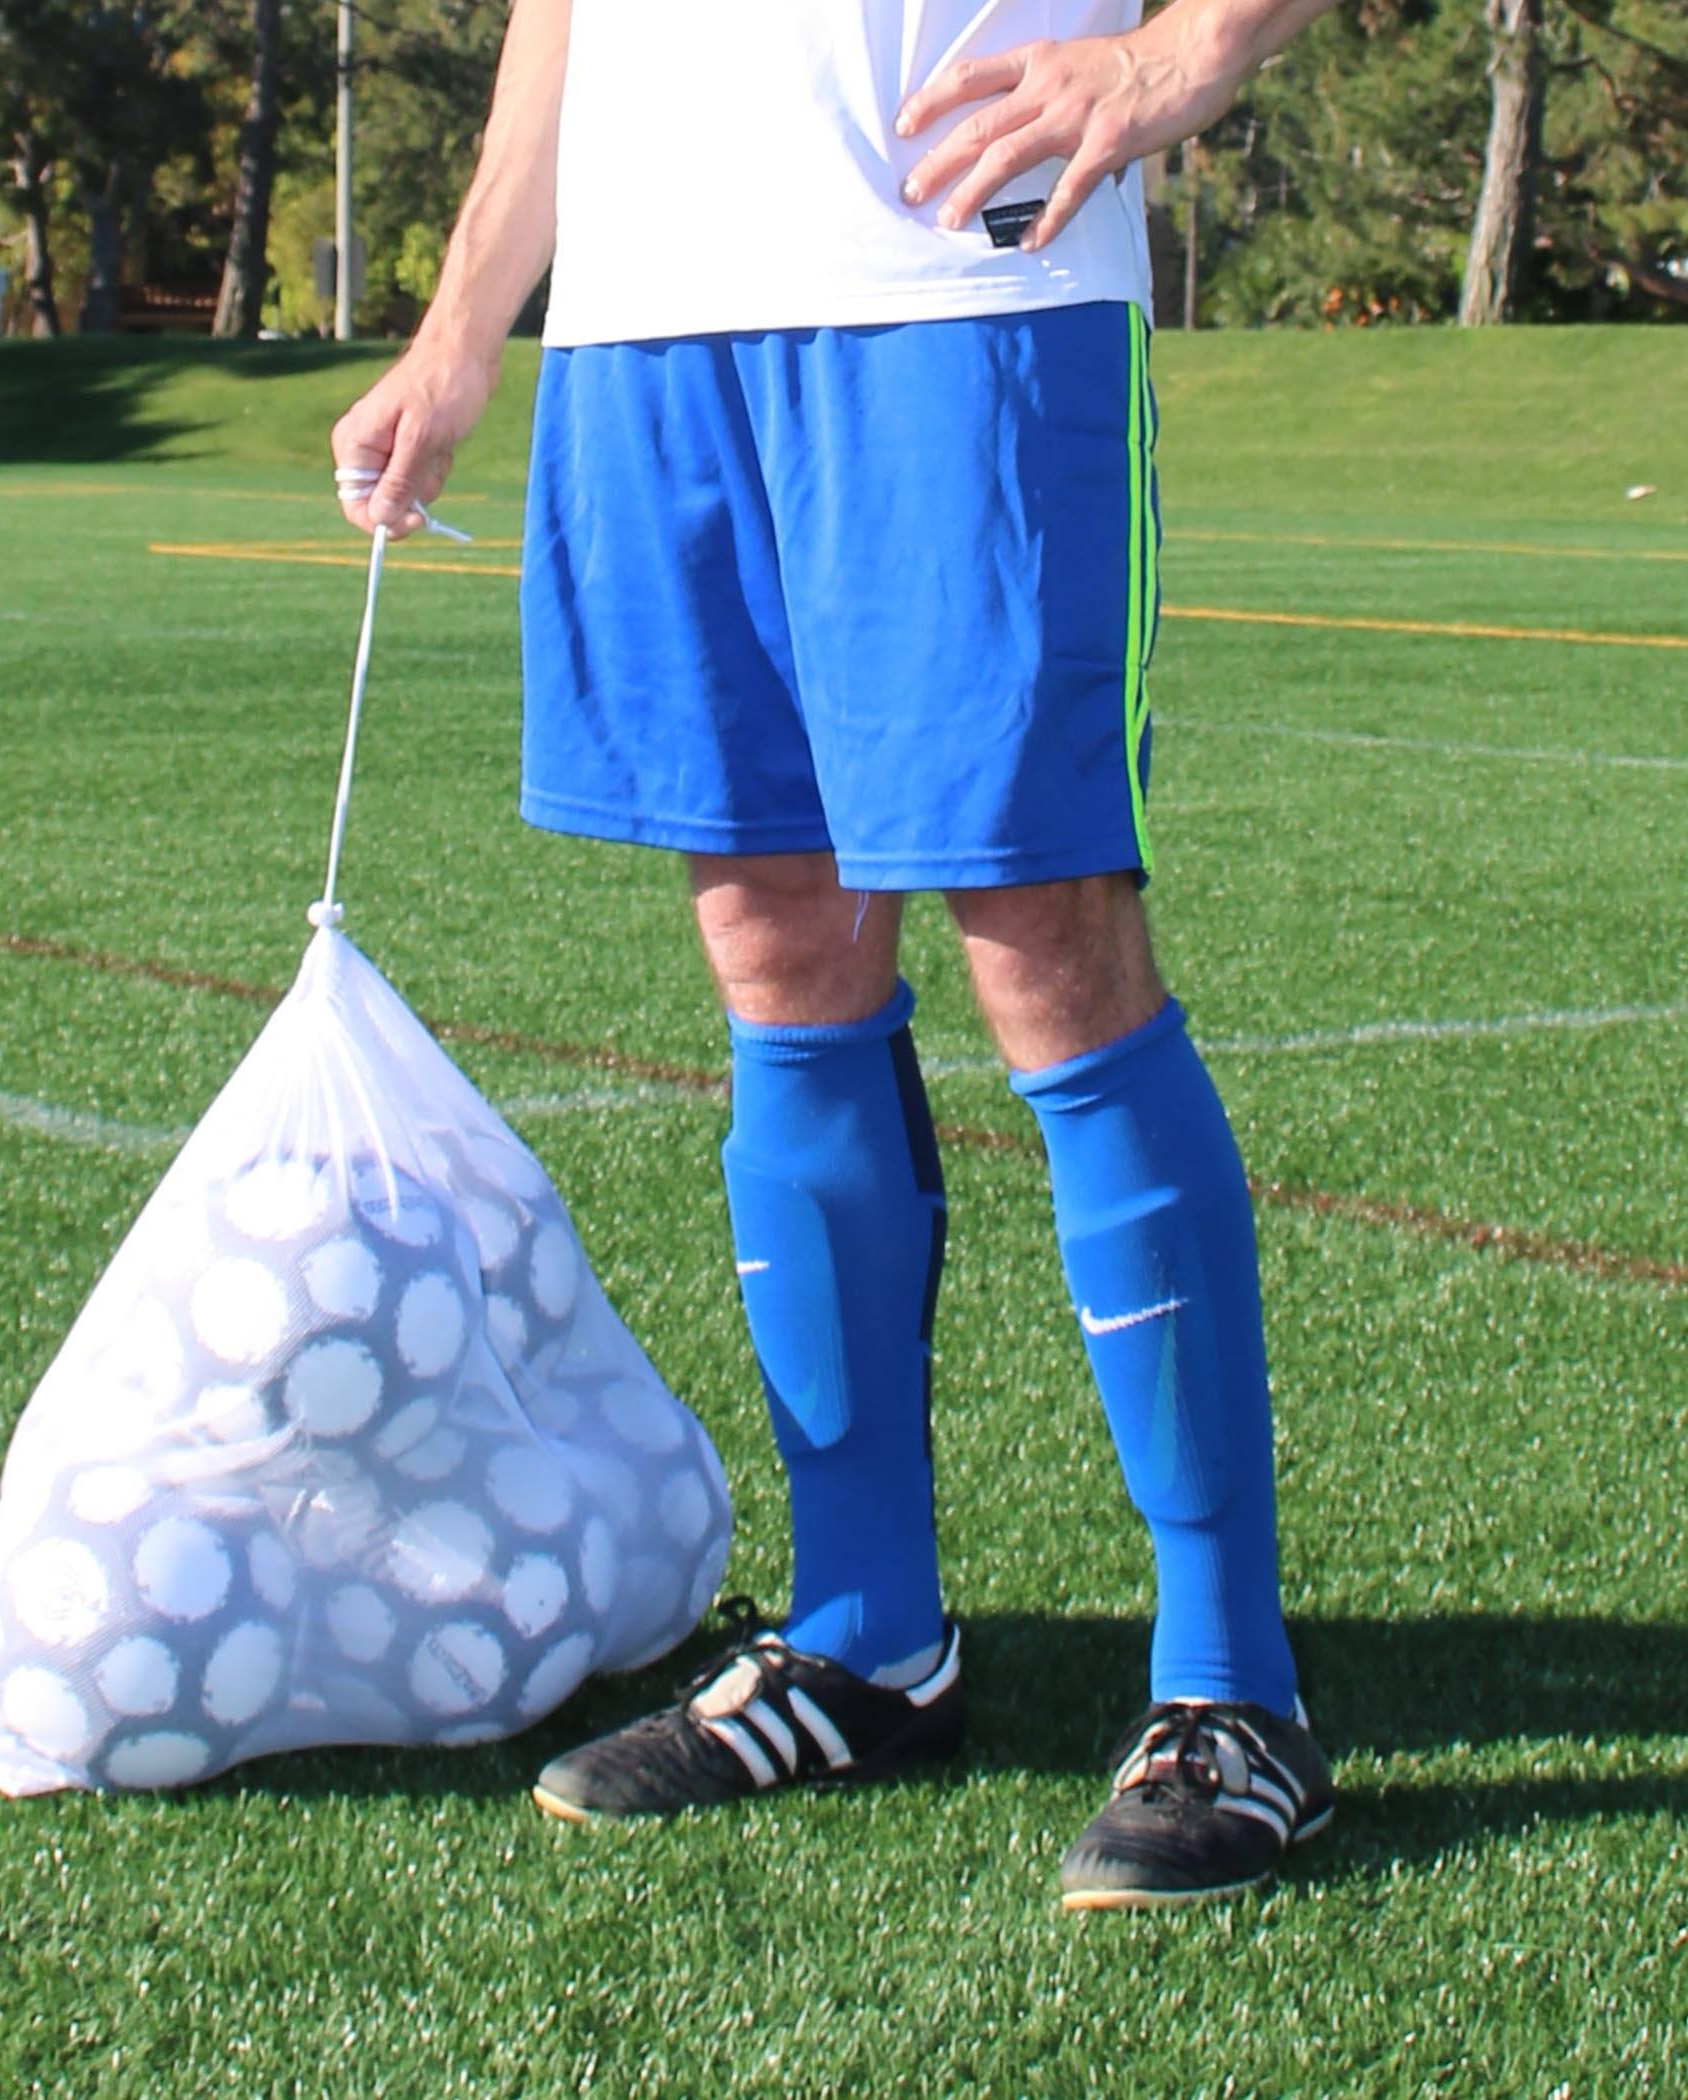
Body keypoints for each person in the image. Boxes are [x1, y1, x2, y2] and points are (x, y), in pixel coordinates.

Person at [333, 0, 1343, 1910]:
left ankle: (1233, 1688)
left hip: (962, 283)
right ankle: (869, 1635)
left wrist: (1169, 58)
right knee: (771, 945)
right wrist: (468, 318)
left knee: (1042, 933)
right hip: (649, 324)